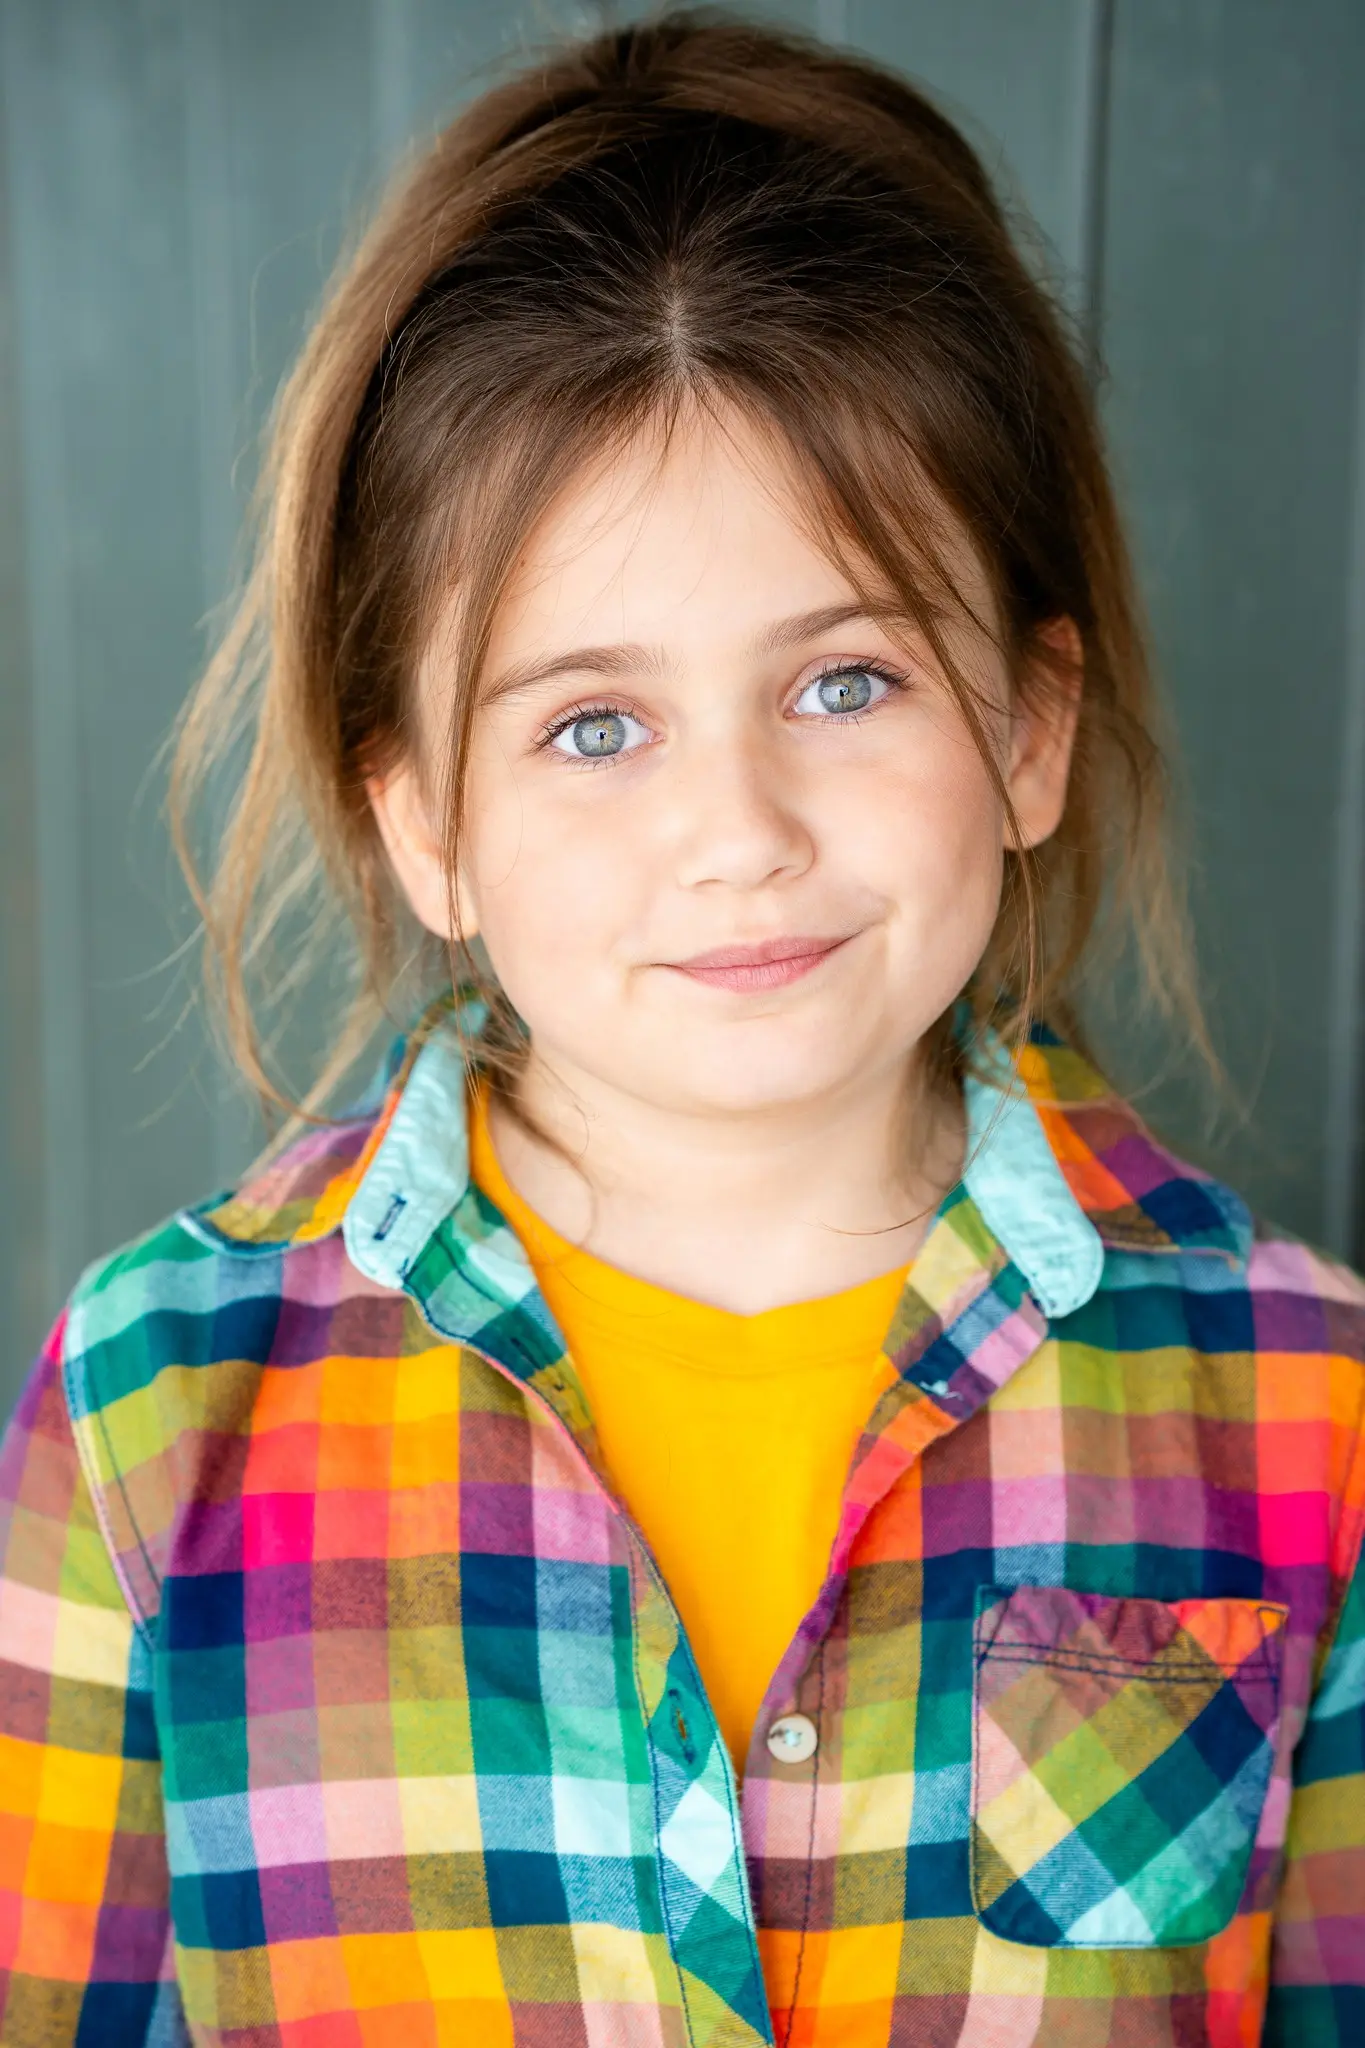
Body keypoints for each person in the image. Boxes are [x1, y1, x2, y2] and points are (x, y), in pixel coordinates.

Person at [2, 12, 1362, 2045]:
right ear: (424, 824)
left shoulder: (1298, 1403)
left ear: (1027, 724)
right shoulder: (146, 1414)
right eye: (594, 725)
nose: (737, 833)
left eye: (844, 683)